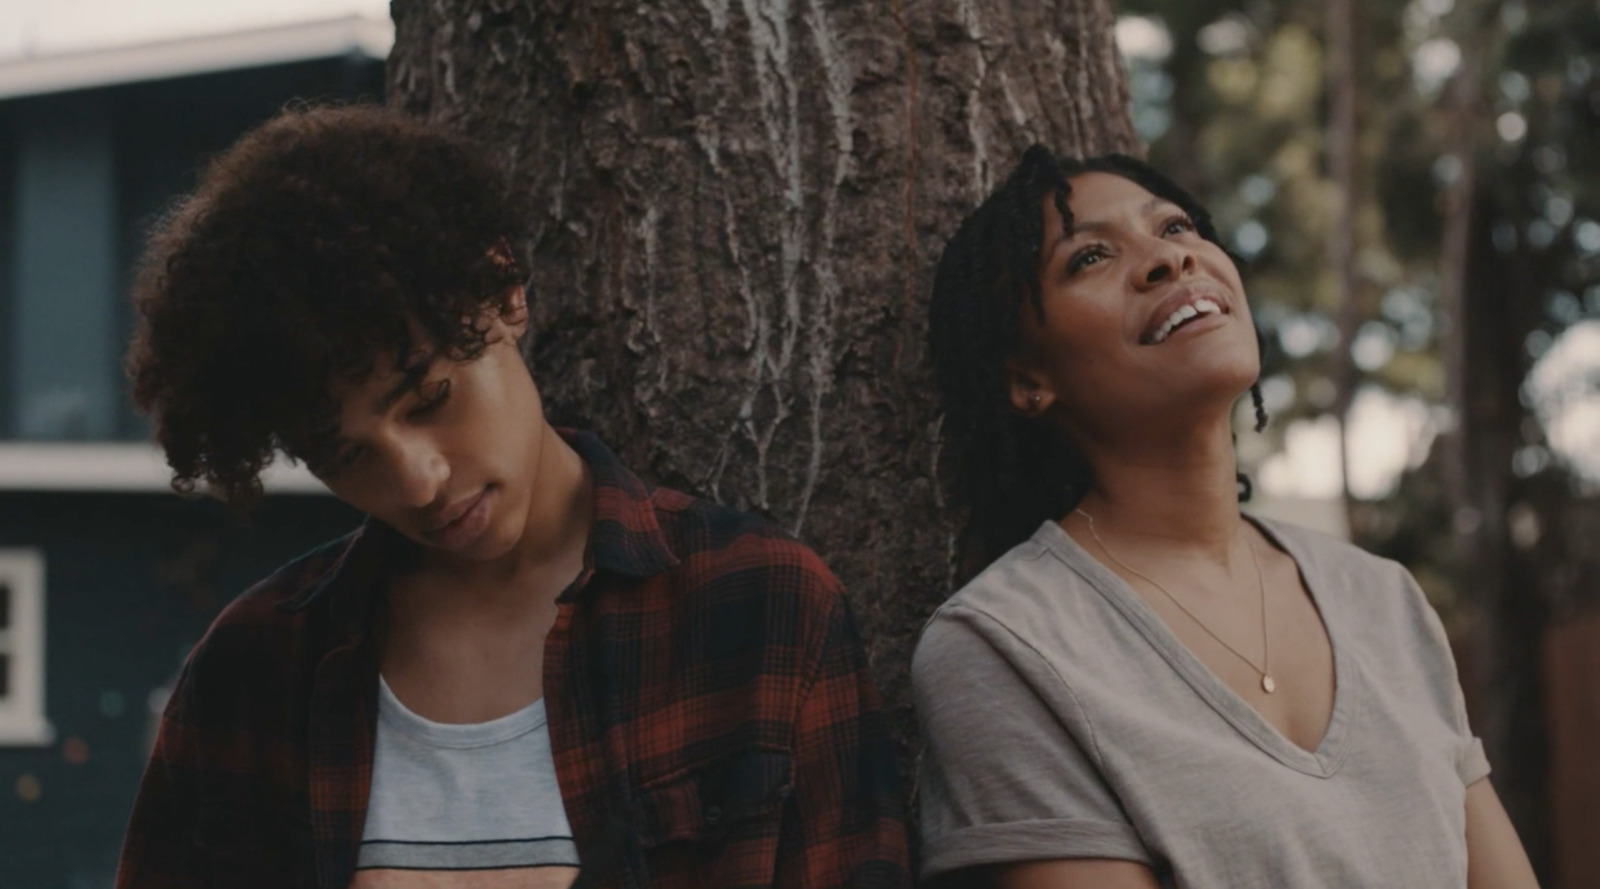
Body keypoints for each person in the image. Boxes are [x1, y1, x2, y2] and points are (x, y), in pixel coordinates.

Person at [116, 104, 908, 889]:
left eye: (428, 399)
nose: (418, 481)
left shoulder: (761, 610)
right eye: (347, 456)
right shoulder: (252, 675)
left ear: (503, 293)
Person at [913, 146, 1539, 888]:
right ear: (1028, 380)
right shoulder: (1007, 646)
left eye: (1175, 227)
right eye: (1089, 258)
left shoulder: (1384, 599)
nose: (1166, 260)